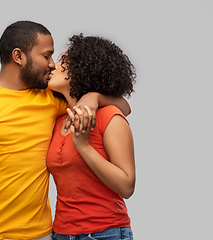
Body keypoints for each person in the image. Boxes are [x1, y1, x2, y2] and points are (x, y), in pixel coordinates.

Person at [0, 21, 131, 240]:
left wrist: (94, 96)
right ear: (18, 56)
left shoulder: (52, 100)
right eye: (46, 56)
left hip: (41, 235)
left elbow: (123, 107)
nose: (52, 64)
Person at [47, 33, 136, 240]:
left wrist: (84, 146)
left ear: (82, 70)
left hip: (106, 233)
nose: (54, 65)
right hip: (61, 233)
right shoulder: (57, 119)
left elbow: (127, 185)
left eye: (63, 61)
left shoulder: (108, 117)